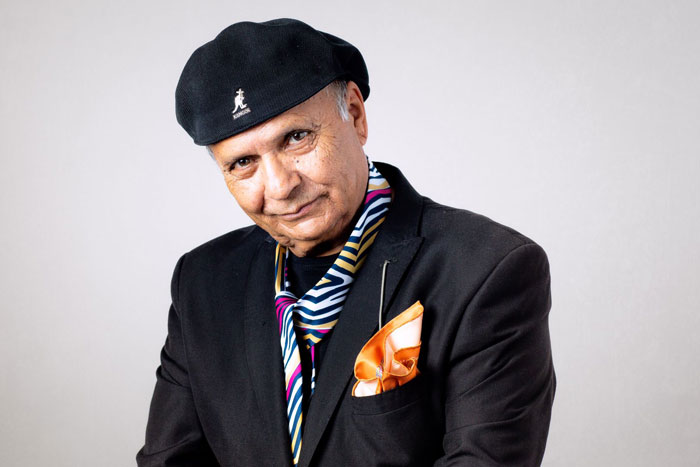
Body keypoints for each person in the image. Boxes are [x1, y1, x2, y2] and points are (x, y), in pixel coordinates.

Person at [137, 18, 555, 467]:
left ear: (355, 114)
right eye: (242, 163)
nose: (279, 186)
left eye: (296, 138)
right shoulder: (201, 282)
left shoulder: (486, 270)